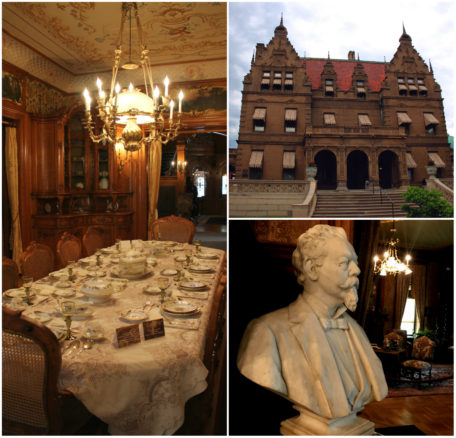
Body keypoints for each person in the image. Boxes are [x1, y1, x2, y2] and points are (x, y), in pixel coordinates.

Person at [237, 224, 387, 420]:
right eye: (345, 263)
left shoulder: (356, 330)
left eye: (355, 262)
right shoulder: (266, 332)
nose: (357, 270)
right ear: (311, 268)